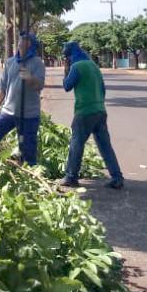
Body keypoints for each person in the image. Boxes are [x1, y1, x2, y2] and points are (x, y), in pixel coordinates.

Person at [59, 41, 125, 190]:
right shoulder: (93, 66)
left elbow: (66, 86)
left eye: (67, 57)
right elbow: (103, 88)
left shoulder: (76, 67)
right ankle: (117, 177)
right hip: (100, 111)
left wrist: (66, 69)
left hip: (84, 112)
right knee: (105, 146)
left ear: (70, 56)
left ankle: (71, 176)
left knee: (76, 144)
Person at [0, 32, 46, 165]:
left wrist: (29, 77)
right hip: (8, 112)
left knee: (28, 152)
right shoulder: (10, 62)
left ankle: (29, 176)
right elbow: (2, 85)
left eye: (24, 42)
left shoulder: (37, 63)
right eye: (20, 41)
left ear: (31, 46)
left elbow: (39, 85)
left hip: (29, 115)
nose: (20, 44)